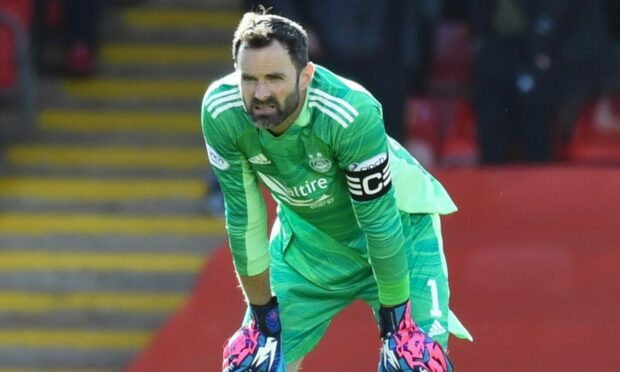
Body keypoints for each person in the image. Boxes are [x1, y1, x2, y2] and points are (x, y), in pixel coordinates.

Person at [201, 10, 471, 371]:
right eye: (248, 79)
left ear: (306, 76)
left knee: (415, 364)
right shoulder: (222, 110)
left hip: (401, 234)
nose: (260, 93)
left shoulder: (350, 112)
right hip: (308, 242)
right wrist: (263, 316)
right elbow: (244, 217)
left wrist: (398, 321)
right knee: (253, 364)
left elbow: (379, 223)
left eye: (275, 78)